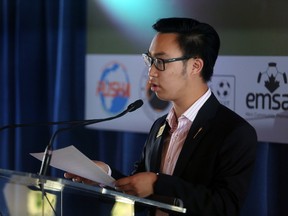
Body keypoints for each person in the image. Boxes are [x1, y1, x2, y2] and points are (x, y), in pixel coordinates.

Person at [65, 17, 258, 216]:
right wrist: (105, 175)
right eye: (150, 60)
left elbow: (224, 207)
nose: (151, 72)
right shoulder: (160, 125)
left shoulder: (233, 131)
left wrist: (158, 183)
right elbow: (140, 194)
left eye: (161, 62)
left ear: (195, 66)